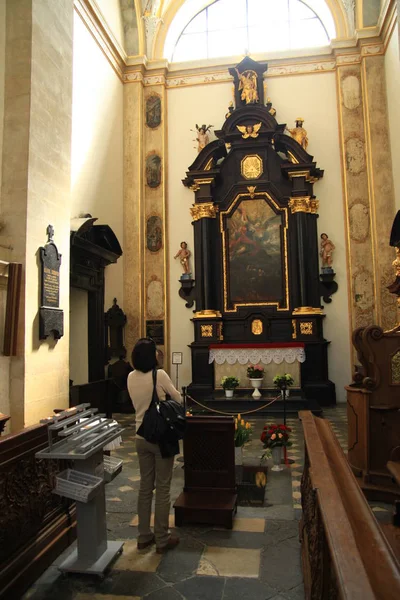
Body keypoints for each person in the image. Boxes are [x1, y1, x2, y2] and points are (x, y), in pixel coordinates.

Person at [127, 338, 182, 554]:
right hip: (160, 437)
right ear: (152, 356)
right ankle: (161, 538)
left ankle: (143, 536)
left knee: (144, 487)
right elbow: (177, 399)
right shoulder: (158, 374)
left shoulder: (131, 377)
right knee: (163, 488)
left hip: (140, 436)